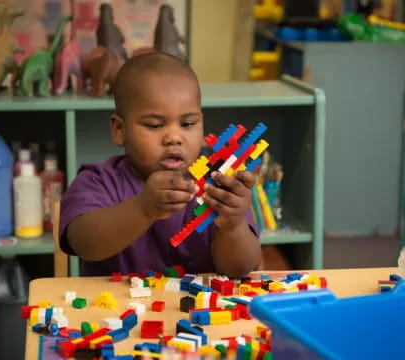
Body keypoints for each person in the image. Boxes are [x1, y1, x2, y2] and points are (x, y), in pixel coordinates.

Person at [59, 52, 261, 277]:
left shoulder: (217, 187)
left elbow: (240, 269)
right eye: (155, 125)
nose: (174, 137)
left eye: (187, 124)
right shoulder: (98, 181)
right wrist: (143, 208)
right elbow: (83, 244)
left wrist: (232, 226)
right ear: (119, 130)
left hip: (200, 310)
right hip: (114, 310)